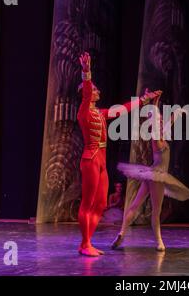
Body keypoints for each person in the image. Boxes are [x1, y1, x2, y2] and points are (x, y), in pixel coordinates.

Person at [77, 52, 161, 257]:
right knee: (87, 203)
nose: (97, 91)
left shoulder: (100, 113)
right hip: (90, 160)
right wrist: (86, 72)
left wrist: (143, 100)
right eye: (94, 89)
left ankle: (88, 241)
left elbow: (122, 110)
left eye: (95, 88)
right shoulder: (84, 111)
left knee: (102, 203)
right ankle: (85, 243)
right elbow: (87, 92)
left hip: (101, 161)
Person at [111, 93, 189, 252]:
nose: (162, 122)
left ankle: (122, 232)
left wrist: (159, 104)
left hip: (151, 175)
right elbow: (160, 123)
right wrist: (156, 112)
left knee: (135, 205)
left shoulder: (161, 135)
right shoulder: (157, 139)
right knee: (156, 211)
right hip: (157, 176)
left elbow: (169, 122)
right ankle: (160, 242)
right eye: (159, 121)